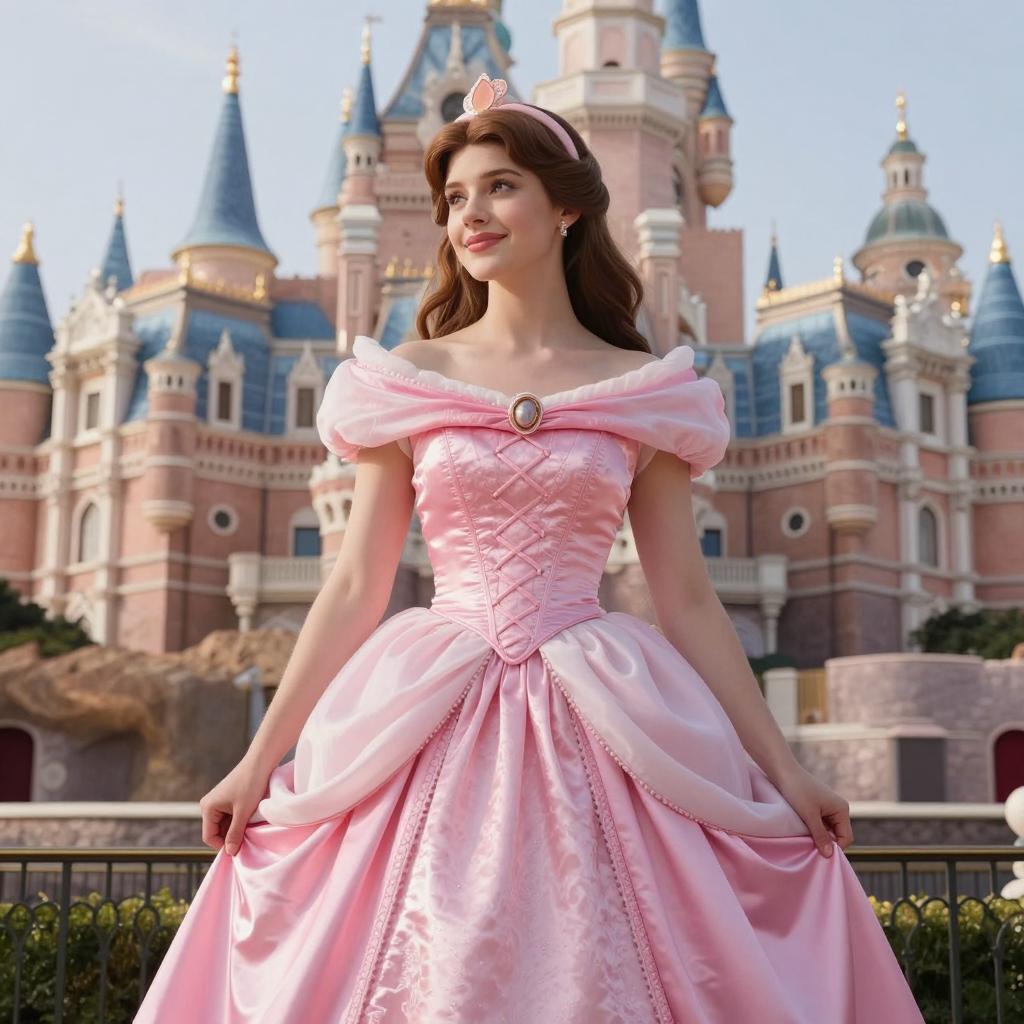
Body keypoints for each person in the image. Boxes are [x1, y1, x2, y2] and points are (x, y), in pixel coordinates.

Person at [134, 73, 925, 1023]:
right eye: (456, 196)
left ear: (567, 207)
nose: (471, 213)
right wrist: (257, 762)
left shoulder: (644, 387)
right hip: (429, 708)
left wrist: (786, 770)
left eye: (500, 185)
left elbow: (685, 599)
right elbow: (355, 585)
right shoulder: (405, 377)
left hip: (602, 709)